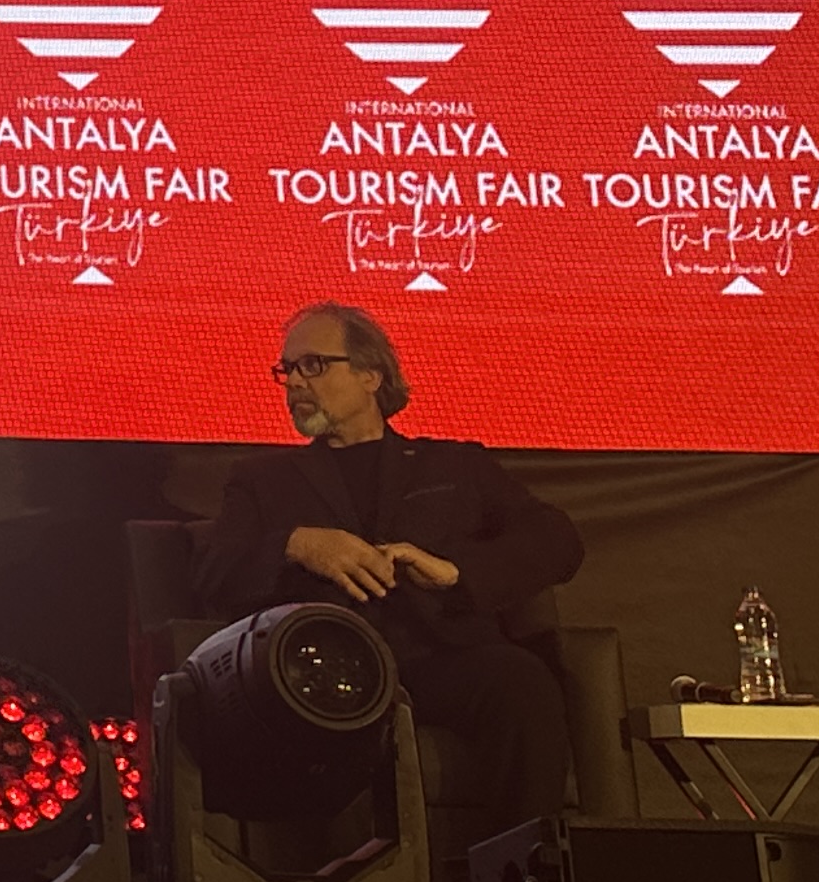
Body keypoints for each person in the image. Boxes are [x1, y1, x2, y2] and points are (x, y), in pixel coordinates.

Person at [193, 302, 585, 831]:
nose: (295, 382)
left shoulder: (454, 465)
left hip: (440, 657)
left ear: (370, 375)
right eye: (287, 370)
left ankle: (528, 870)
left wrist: (456, 572)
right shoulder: (262, 479)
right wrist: (296, 544)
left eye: (313, 365)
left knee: (522, 683)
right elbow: (214, 574)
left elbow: (558, 540)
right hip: (322, 670)